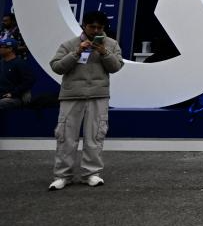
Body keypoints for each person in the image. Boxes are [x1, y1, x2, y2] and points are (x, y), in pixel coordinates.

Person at [47, 10, 123, 190]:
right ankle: (62, 175)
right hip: (71, 95)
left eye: (99, 27)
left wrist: (104, 52)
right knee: (66, 136)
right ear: (84, 26)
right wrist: (77, 52)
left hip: (98, 95)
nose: (95, 31)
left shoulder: (111, 44)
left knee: (95, 135)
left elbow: (116, 67)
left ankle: (91, 173)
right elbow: (56, 67)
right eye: (92, 27)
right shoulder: (69, 44)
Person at [0, 37, 34, 109]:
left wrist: (12, 93)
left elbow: (29, 81)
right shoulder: (1, 63)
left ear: (10, 49)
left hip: (15, 97)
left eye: (1, 46)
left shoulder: (20, 63)